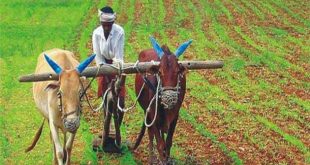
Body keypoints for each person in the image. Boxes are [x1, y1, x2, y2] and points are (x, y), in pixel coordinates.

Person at [92, 6, 126, 111]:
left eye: (109, 25)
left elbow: (118, 56)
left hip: (116, 64)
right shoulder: (96, 33)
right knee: (104, 93)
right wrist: (104, 71)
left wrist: (115, 71)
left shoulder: (119, 31)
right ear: (101, 23)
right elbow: (98, 55)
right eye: (104, 25)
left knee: (120, 99)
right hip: (103, 64)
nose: (106, 28)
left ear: (113, 23)